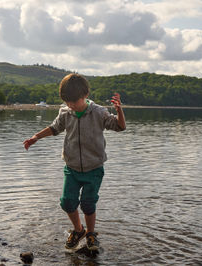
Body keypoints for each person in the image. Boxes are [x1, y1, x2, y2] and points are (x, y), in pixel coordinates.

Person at [23, 73, 126, 251]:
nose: (70, 105)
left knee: (88, 203)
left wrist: (119, 111)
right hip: (71, 168)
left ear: (85, 95)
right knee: (67, 202)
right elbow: (54, 128)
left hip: (94, 168)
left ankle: (91, 234)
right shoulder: (65, 112)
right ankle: (79, 230)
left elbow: (119, 126)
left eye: (73, 101)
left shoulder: (99, 112)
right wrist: (36, 137)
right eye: (67, 102)